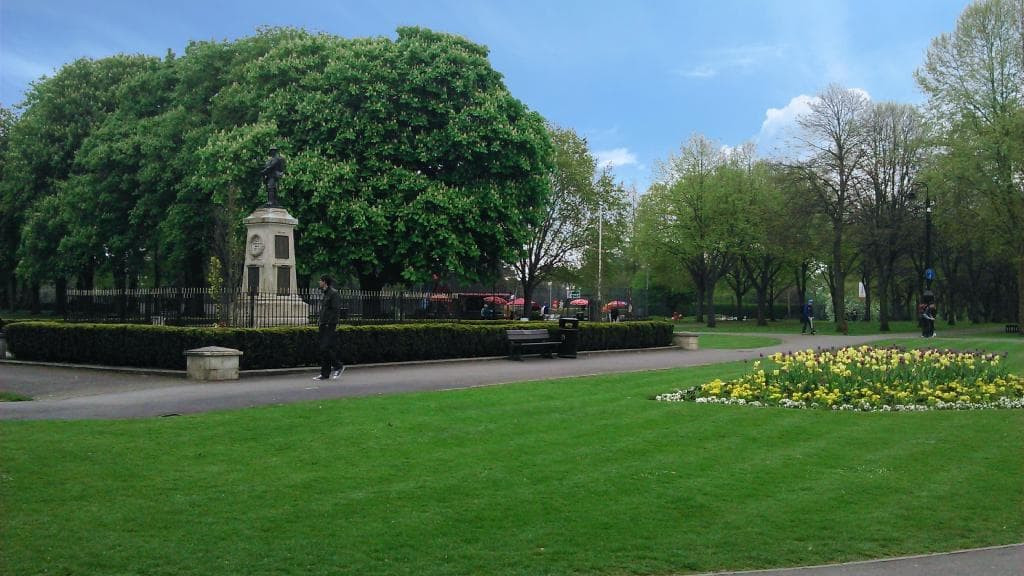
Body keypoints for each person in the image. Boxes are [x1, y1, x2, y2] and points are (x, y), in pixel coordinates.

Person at [315, 274, 344, 380]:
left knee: (324, 348)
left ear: (325, 282)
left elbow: (336, 310)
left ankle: (338, 366)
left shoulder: (333, 294)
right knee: (323, 349)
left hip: (329, 325)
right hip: (323, 324)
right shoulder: (325, 293)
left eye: (320, 280)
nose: (319, 282)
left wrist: (329, 323)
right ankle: (324, 373)